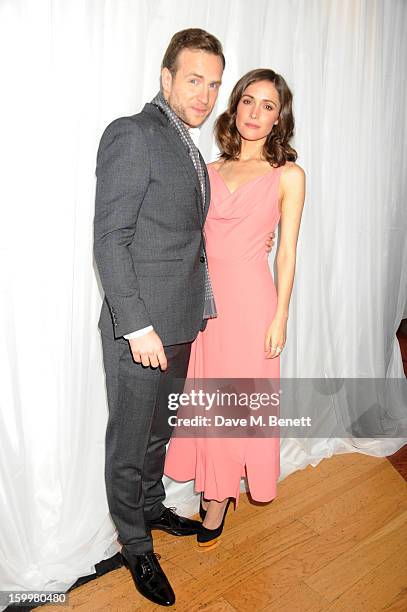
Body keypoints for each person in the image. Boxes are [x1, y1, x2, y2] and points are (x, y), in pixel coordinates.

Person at [94, 29, 275, 606]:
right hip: (140, 330)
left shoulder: (193, 150)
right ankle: (134, 545)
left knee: (158, 431)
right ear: (167, 78)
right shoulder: (134, 134)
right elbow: (111, 239)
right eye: (194, 80)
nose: (205, 94)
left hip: (182, 323)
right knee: (129, 438)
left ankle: (150, 508)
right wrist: (136, 324)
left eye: (214, 84)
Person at [164, 68, 306, 549]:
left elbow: (286, 251)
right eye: (249, 100)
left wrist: (281, 315)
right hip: (206, 303)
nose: (256, 112)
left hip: (252, 303)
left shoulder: (288, 176)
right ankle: (214, 484)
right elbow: (188, 238)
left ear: (278, 118)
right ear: (236, 106)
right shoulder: (207, 170)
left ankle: (220, 498)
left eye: (269, 105)